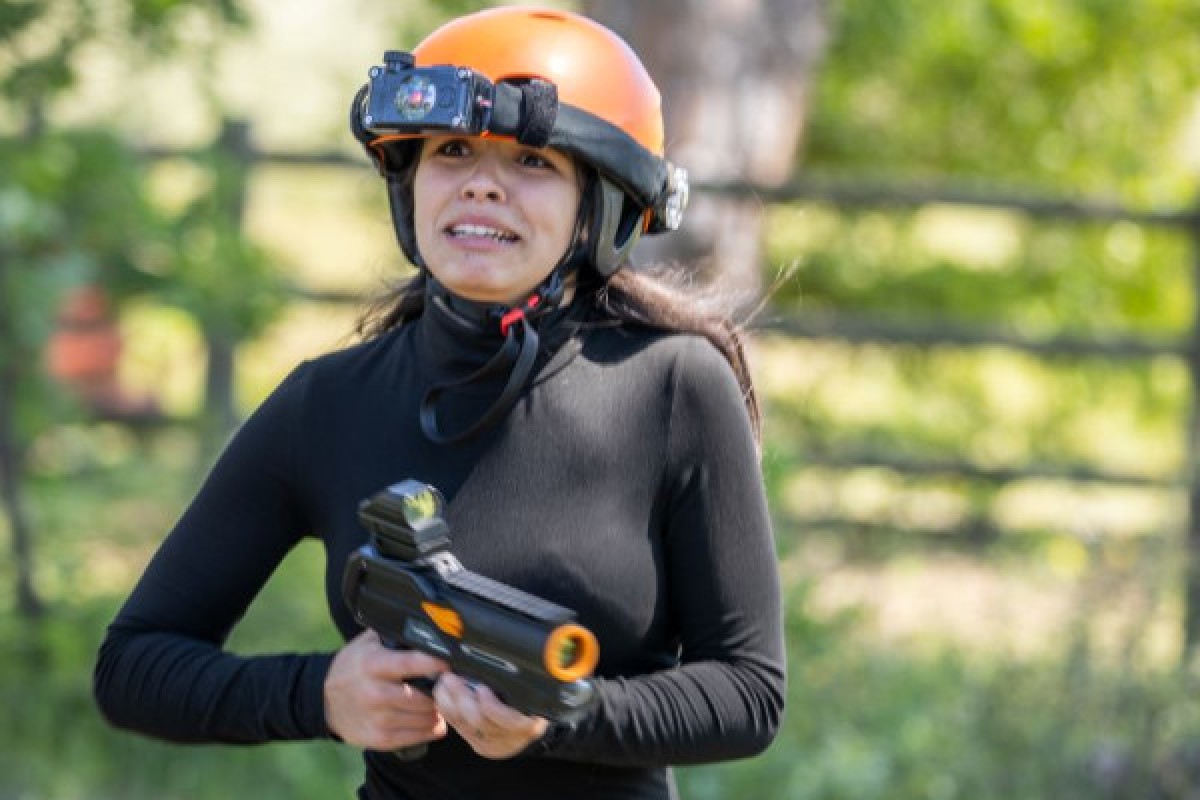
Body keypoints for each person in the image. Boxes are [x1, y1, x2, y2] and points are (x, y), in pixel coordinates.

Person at [94, 7, 785, 799]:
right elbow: (135, 662)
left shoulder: (673, 388)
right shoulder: (328, 401)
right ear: (410, 183)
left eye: (532, 161)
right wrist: (317, 695)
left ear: (601, 207)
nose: (483, 183)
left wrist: (562, 716)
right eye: (452, 151)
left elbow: (749, 691)